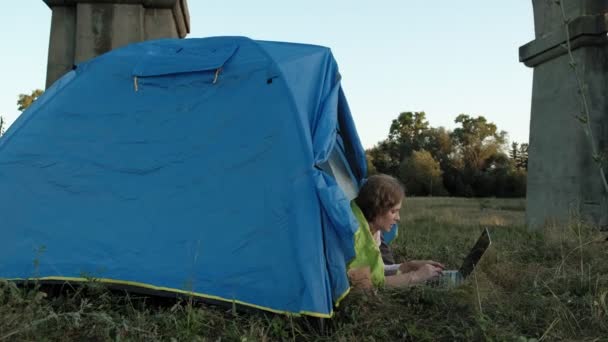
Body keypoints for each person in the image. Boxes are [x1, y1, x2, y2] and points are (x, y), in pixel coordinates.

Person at [347, 174, 444, 289]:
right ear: (377, 208)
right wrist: (416, 276)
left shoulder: (373, 231)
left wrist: (409, 266)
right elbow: (364, 285)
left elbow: (377, 272)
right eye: (393, 211)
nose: (398, 218)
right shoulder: (355, 236)